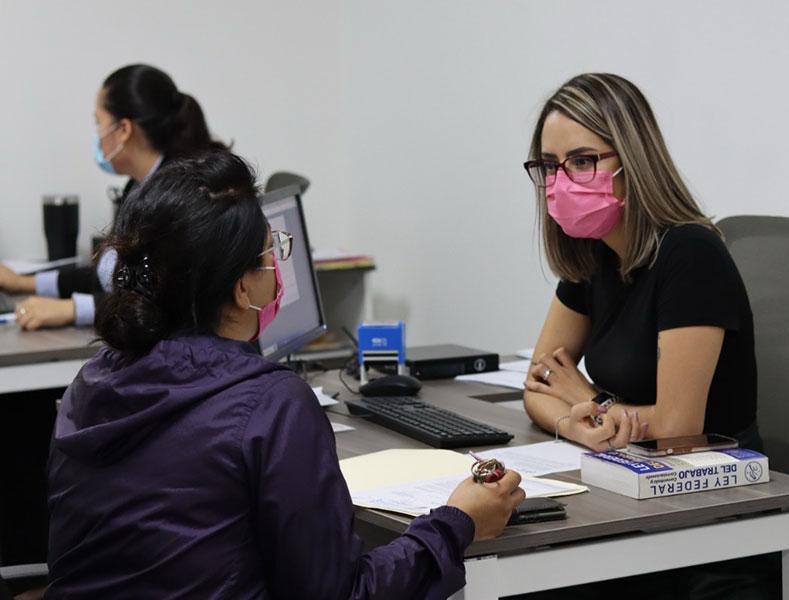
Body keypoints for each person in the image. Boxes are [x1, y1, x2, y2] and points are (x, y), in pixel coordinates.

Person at [45, 152, 525, 599]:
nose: (278, 268)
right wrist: (458, 522)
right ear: (240, 288)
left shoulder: (88, 386)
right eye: (271, 252)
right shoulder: (273, 406)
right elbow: (340, 593)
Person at [517, 73, 775, 600]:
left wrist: (589, 399)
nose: (562, 180)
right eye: (548, 166)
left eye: (583, 160)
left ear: (631, 162)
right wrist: (577, 421)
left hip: (708, 523)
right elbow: (540, 384)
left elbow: (679, 426)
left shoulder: (690, 254)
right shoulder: (591, 253)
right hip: (633, 492)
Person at [0, 64, 226, 331]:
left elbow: (164, 301)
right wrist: (25, 283)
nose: (97, 135)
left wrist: (73, 309)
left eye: (99, 123)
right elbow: (110, 275)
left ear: (123, 130)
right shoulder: (139, 188)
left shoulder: (180, 199)